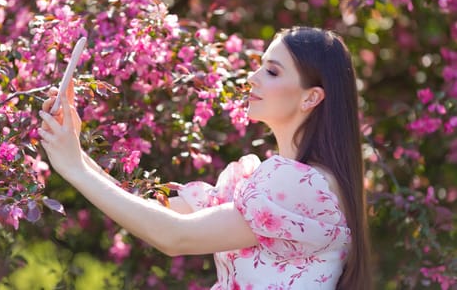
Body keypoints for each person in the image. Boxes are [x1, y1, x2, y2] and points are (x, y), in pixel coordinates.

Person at [38, 26, 371, 289]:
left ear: (311, 97)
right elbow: (150, 209)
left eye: (271, 72)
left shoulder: (300, 185)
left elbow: (175, 236)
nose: (252, 78)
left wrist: (75, 167)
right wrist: (74, 149)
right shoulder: (280, 185)